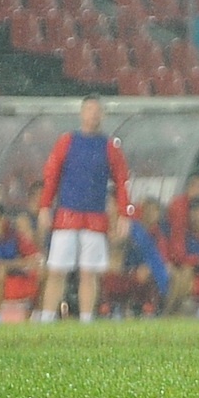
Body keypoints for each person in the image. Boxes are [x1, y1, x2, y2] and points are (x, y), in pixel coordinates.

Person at [34, 95, 135, 323]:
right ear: (81, 113)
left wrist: (125, 214)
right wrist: (45, 206)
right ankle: (47, 318)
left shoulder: (110, 146)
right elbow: (51, 175)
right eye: (89, 110)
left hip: (95, 218)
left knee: (89, 272)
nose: (93, 115)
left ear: (103, 115)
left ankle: (87, 319)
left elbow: (122, 180)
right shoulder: (67, 141)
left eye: (97, 111)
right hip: (67, 215)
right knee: (57, 269)